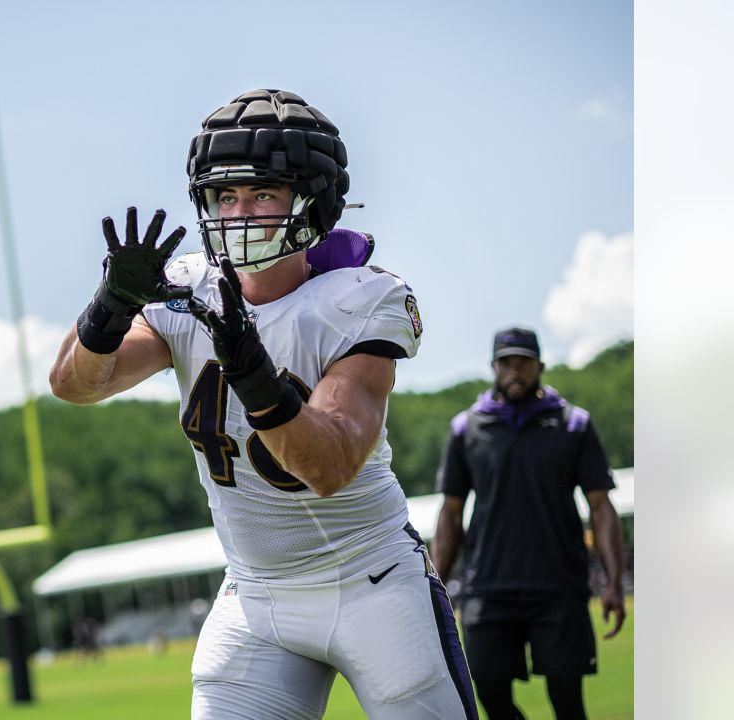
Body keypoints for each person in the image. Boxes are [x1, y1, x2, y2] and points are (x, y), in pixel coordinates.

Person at [50, 88, 476, 719]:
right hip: (256, 597)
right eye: (225, 196)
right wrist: (108, 307)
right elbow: (77, 383)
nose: (238, 213)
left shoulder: (360, 299)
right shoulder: (190, 286)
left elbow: (327, 465)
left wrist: (249, 364)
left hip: (372, 582)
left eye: (262, 195)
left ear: (313, 202)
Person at [432, 327, 626, 720]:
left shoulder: (574, 425)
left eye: (523, 362)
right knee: (487, 688)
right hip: (488, 588)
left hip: (559, 586)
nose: (514, 371)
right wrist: (433, 589)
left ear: (540, 365)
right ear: (493, 367)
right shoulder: (466, 429)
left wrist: (614, 583)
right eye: (506, 363)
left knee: (568, 700)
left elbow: (601, 508)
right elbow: (451, 514)